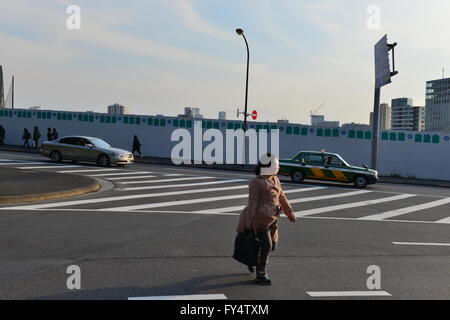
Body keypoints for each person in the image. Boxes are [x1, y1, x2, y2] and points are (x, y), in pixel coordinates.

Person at [236, 153, 297, 285]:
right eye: (276, 165)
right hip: (259, 220)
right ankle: (261, 274)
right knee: (267, 246)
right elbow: (252, 203)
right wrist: (249, 222)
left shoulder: (275, 179)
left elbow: (282, 197)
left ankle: (253, 260)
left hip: (272, 219)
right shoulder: (256, 182)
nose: (278, 167)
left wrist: (289, 213)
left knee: (272, 246)